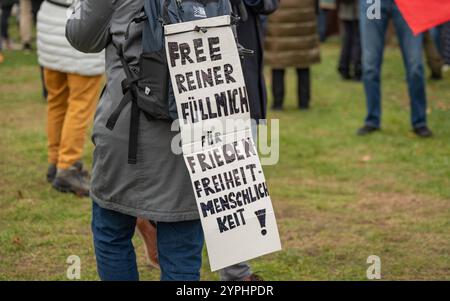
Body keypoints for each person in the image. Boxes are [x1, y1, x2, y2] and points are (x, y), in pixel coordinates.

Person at [134, 0, 279, 281]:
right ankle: (155, 223)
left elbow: (268, 4)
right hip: (196, 84)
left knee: (232, 180)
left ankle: (236, 271)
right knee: (209, 178)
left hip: (235, 81)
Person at [66, 0, 204, 281]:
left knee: (112, 231)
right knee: (182, 246)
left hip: (129, 128)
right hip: (194, 124)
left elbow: (82, 36)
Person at [37, 0, 104, 196]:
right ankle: (67, 166)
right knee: (80, 105)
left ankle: (56, 161)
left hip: (50, 24)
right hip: (80, 24)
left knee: (56, 102)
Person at [357, 0, 433, 138]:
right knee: (370, 65)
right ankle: (372, 120)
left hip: (409, 3)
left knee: (415, 65)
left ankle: (419, 122)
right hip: (374, 3)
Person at [265, 0, 321, 111]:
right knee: (303, 61)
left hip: (278, 17)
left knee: (278, 62)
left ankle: (278, 103)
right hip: (304, 15)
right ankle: (304, 102)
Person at [337, 0, 361, 81]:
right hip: (362, 9)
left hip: (347, 8)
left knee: (348, 38)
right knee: (358, 39)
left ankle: (344, 68)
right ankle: (358, 70)